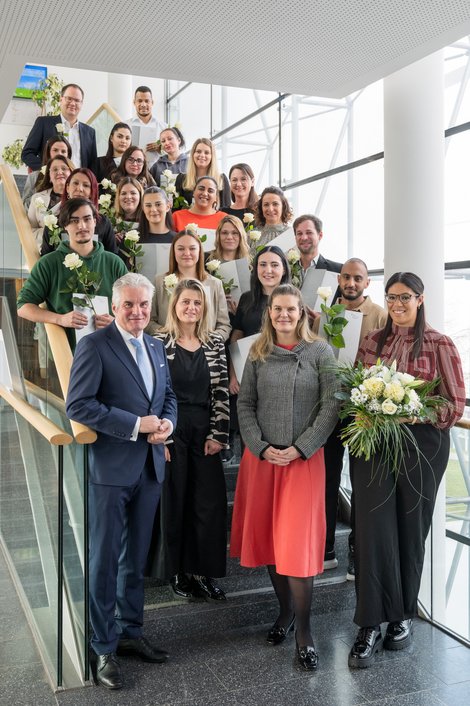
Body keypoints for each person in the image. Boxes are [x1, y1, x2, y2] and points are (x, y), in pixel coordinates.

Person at [348, 271, 466, 669]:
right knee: (371, 533)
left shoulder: (440, 343)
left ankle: (400, 617)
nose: (397, 305)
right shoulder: (370, 341)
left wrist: (413, 411)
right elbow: (355, 391)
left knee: (410, 531)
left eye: (405, 297)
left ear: (420, 298)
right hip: (373, 448)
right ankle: (368, 625)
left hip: (421, 448)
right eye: (391, 297)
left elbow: (454, 405)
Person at [66, 272, 177, 690]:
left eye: (143, 305)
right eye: (128, 304)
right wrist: (135, 425)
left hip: (149, 467)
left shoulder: (155, 344)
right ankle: (103, 646)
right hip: (111, 471)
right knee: (105, 560)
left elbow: (166, 396)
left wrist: (167, 423)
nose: (137, 312)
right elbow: (79, 405)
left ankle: (130, 632)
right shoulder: (95, 345)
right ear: (113, 307)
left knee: (136, 558)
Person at [230, 284, 339, 670]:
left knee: (298, 547)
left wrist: (301, 447)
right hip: (262, 460)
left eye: (291, 309)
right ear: (269, 312)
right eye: (277, 309)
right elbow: (245, 403)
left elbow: (332, 405)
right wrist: (259, 445)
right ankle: (285, 612)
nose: (284, 316)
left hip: (302, 462)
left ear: (303, 312)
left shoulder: (322, 352)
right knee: (271, 544)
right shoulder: (257, 352)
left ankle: (306, 632)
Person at [149, 279, 229, 601]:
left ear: (204, 308)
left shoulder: (215, 344)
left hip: (205, 429)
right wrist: (162, 439)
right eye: (186, 302)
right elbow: (153, 394)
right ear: (174, 305)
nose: (191, 308)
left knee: (208, 504)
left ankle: (204, 571)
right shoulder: (158, 342)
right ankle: (178, 572)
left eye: (197, 302)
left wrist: (218, 433)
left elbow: (222, 391)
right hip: (172, 428)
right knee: (175, 501)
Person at [318, 258, 387, 577]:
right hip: (330, 405)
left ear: (367, 282)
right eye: (346, 277)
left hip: (361, 411)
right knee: (328, 476)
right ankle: (326, 546)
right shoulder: (327, 313)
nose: (350, 282)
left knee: (361, 482)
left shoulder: (380, 315)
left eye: (357, 278)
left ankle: (356, 553)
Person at [17, 198, 127, 350]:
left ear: (95, 222)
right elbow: (23, 306)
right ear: (64, 225)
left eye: (87, 219)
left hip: (110, 349)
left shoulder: (114, 263)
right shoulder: (48, 263)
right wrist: (60, 319)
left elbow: (131, 306)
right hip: (66, 353)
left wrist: (117, 322)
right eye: (74, 221)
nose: (82, 226)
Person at [148, 229, 231, 341]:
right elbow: (149, 321)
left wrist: (211, 342)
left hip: (206, 350)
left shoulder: (215, 284)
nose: (187, 253)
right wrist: (166, 336)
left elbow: (224, 325)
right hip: (168, 348)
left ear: (199, 251)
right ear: (173, 251)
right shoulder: (159, 282)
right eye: (181, 248)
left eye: (192, 248)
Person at [229, 246, 290, 394]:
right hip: (247, 373)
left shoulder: (293, 299)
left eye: (274, 265)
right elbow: (236, 337)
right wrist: (233, 374)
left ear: (284, 270)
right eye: (262, 264)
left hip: (280, 376)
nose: (268, 270)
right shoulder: (246, 298)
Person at [21, 83, 97, 171]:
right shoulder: (43, 123)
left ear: (82, 104)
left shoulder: (90, 132)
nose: (73, 103)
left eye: (77, 100)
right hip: (50, 182)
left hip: (77, 182)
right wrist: (47, 169)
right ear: (61, 99)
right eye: (69, 98)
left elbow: (93, 164)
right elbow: (27, 154)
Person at [41, 169, 117, 255]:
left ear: (92, 192)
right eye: (75, 183)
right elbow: (45, 257)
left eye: (86, 185)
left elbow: (112, 257)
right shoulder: (53, 222)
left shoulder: (103, 222)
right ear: (67, 188)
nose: (80, 189)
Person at [27, 155, 73, 250]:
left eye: (64, 168)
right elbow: (30, 232)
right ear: (49, 176)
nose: (59, 172)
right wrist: (51, 233)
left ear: (72, 173)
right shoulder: (37, 198)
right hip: (44, 251)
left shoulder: (80, 197)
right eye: (55, 170)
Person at [174, 138, 230, 209]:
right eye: (198, 151)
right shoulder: (181, 179)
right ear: (193, 154)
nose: (202, 155)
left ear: (212, 156)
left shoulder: (221, 179)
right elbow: (175, 210)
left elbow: (226, 211)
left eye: (206, 152)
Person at [22, 135, 73, 209]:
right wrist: (42, 195)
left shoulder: (74, 177)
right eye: (55, 150)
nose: (59, 154)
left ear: (68, 155)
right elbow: (24, 205)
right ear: (48, 153)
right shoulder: (34, 176)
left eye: (63, 151)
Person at [126, 86, 167, 168]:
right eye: (140, 101)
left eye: (147, 101)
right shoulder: (126, 125)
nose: (143, 104)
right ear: (134, 102)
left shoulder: (164, 126)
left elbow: (171, 152)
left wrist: (161, 149)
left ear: (152, 102)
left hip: (157, 171)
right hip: (133, 170)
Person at [293, 214, 342, 282]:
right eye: (299, 233)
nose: (304, 238)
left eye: (309, 232)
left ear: (320, 235)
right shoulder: (285, 270)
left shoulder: (337, 270)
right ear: (295, 238)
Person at [253, 186, 294, 251]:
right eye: (266, 204)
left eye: (275, 204)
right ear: (261, 208)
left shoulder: (292, 235)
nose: (270, 209)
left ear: (283, 206)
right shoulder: (251, 235)